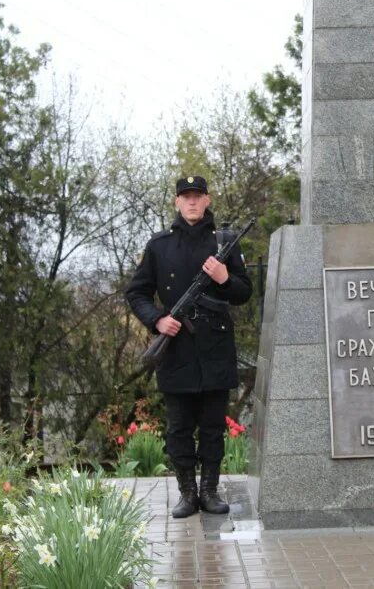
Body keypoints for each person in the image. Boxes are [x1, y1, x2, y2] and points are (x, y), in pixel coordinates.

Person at [125, 175, 252, 518]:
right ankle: (187, 493)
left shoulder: (223, 241)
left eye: (198, 196)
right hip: (176, 349)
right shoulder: (159, 245)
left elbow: (244, 292)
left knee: (212, 425)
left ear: (207, 200)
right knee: (179, 427)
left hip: (215, 348)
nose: (192, 202)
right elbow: (136, 292)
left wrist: (225, 278)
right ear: (177, 203)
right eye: (186, 197)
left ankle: (210, 491)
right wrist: (156, 320)